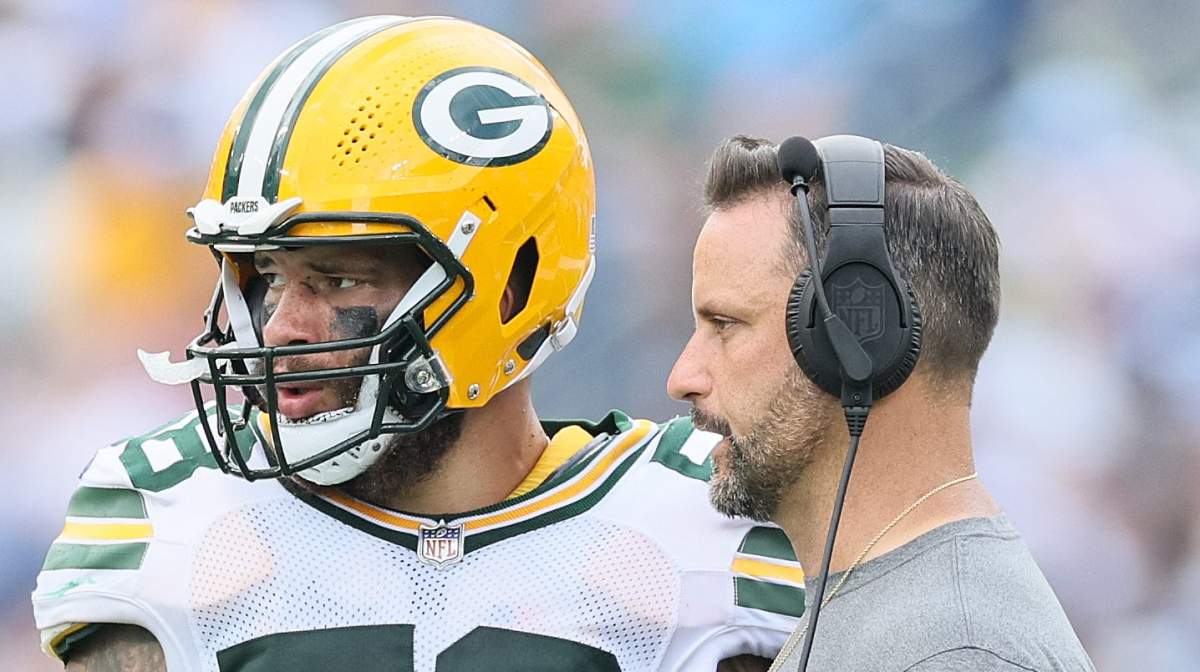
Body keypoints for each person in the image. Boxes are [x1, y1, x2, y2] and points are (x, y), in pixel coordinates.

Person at [31, 18, 800, 671]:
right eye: (269, 275)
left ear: (508, 288)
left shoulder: (706, 524)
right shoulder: (172, 515)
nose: (280, 325)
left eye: (338, 279)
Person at [667, 134, 1096, 671]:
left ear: (857, 335)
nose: (682, 378)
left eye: (725, 324)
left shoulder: (954, 652)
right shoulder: (903, 620)